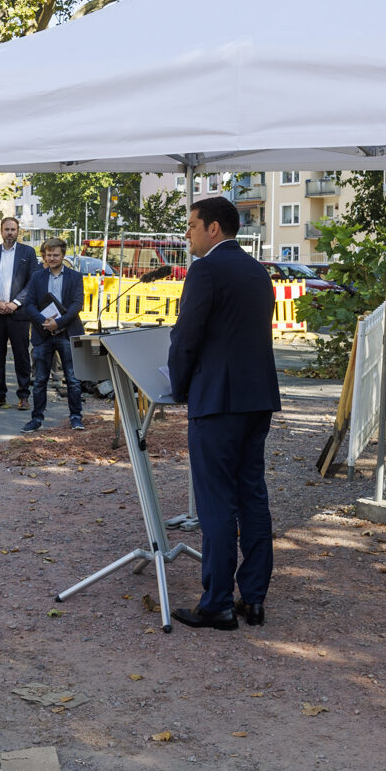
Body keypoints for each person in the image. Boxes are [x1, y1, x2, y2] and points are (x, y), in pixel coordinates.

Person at [165, 196, 283, 632]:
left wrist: (177, 387)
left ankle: (216, 602)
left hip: (217, 401)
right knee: (252, 497)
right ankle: (253, 598)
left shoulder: (206, 269)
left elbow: (187, 336)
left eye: (192, 226)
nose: (188, 234)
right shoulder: (258, 271)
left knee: (216, 503)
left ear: (214, 228)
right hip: (256, 400)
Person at [16, 237, 86, 432]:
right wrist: (42, 321)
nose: (52, 258)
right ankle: (36, 419)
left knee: (72, 378)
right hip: (42, 333)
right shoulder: (37, 277)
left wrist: (59, 322)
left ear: (63, 255)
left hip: (67, 332)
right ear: (44, 256)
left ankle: (76, 417)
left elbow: (77, 304)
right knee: (39, 379)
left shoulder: (75, 276)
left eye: (56, 255)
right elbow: (29, 303)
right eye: (49, 255)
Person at [0, 217, 37, 410]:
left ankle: (23, 395)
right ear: (1, 231)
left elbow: (32, 281)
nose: (10, 233)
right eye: (7, 229)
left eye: (13, 229)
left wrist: (16, 303)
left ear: (17, 231)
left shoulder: (27, 253)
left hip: (18, 314)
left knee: (21, 356)